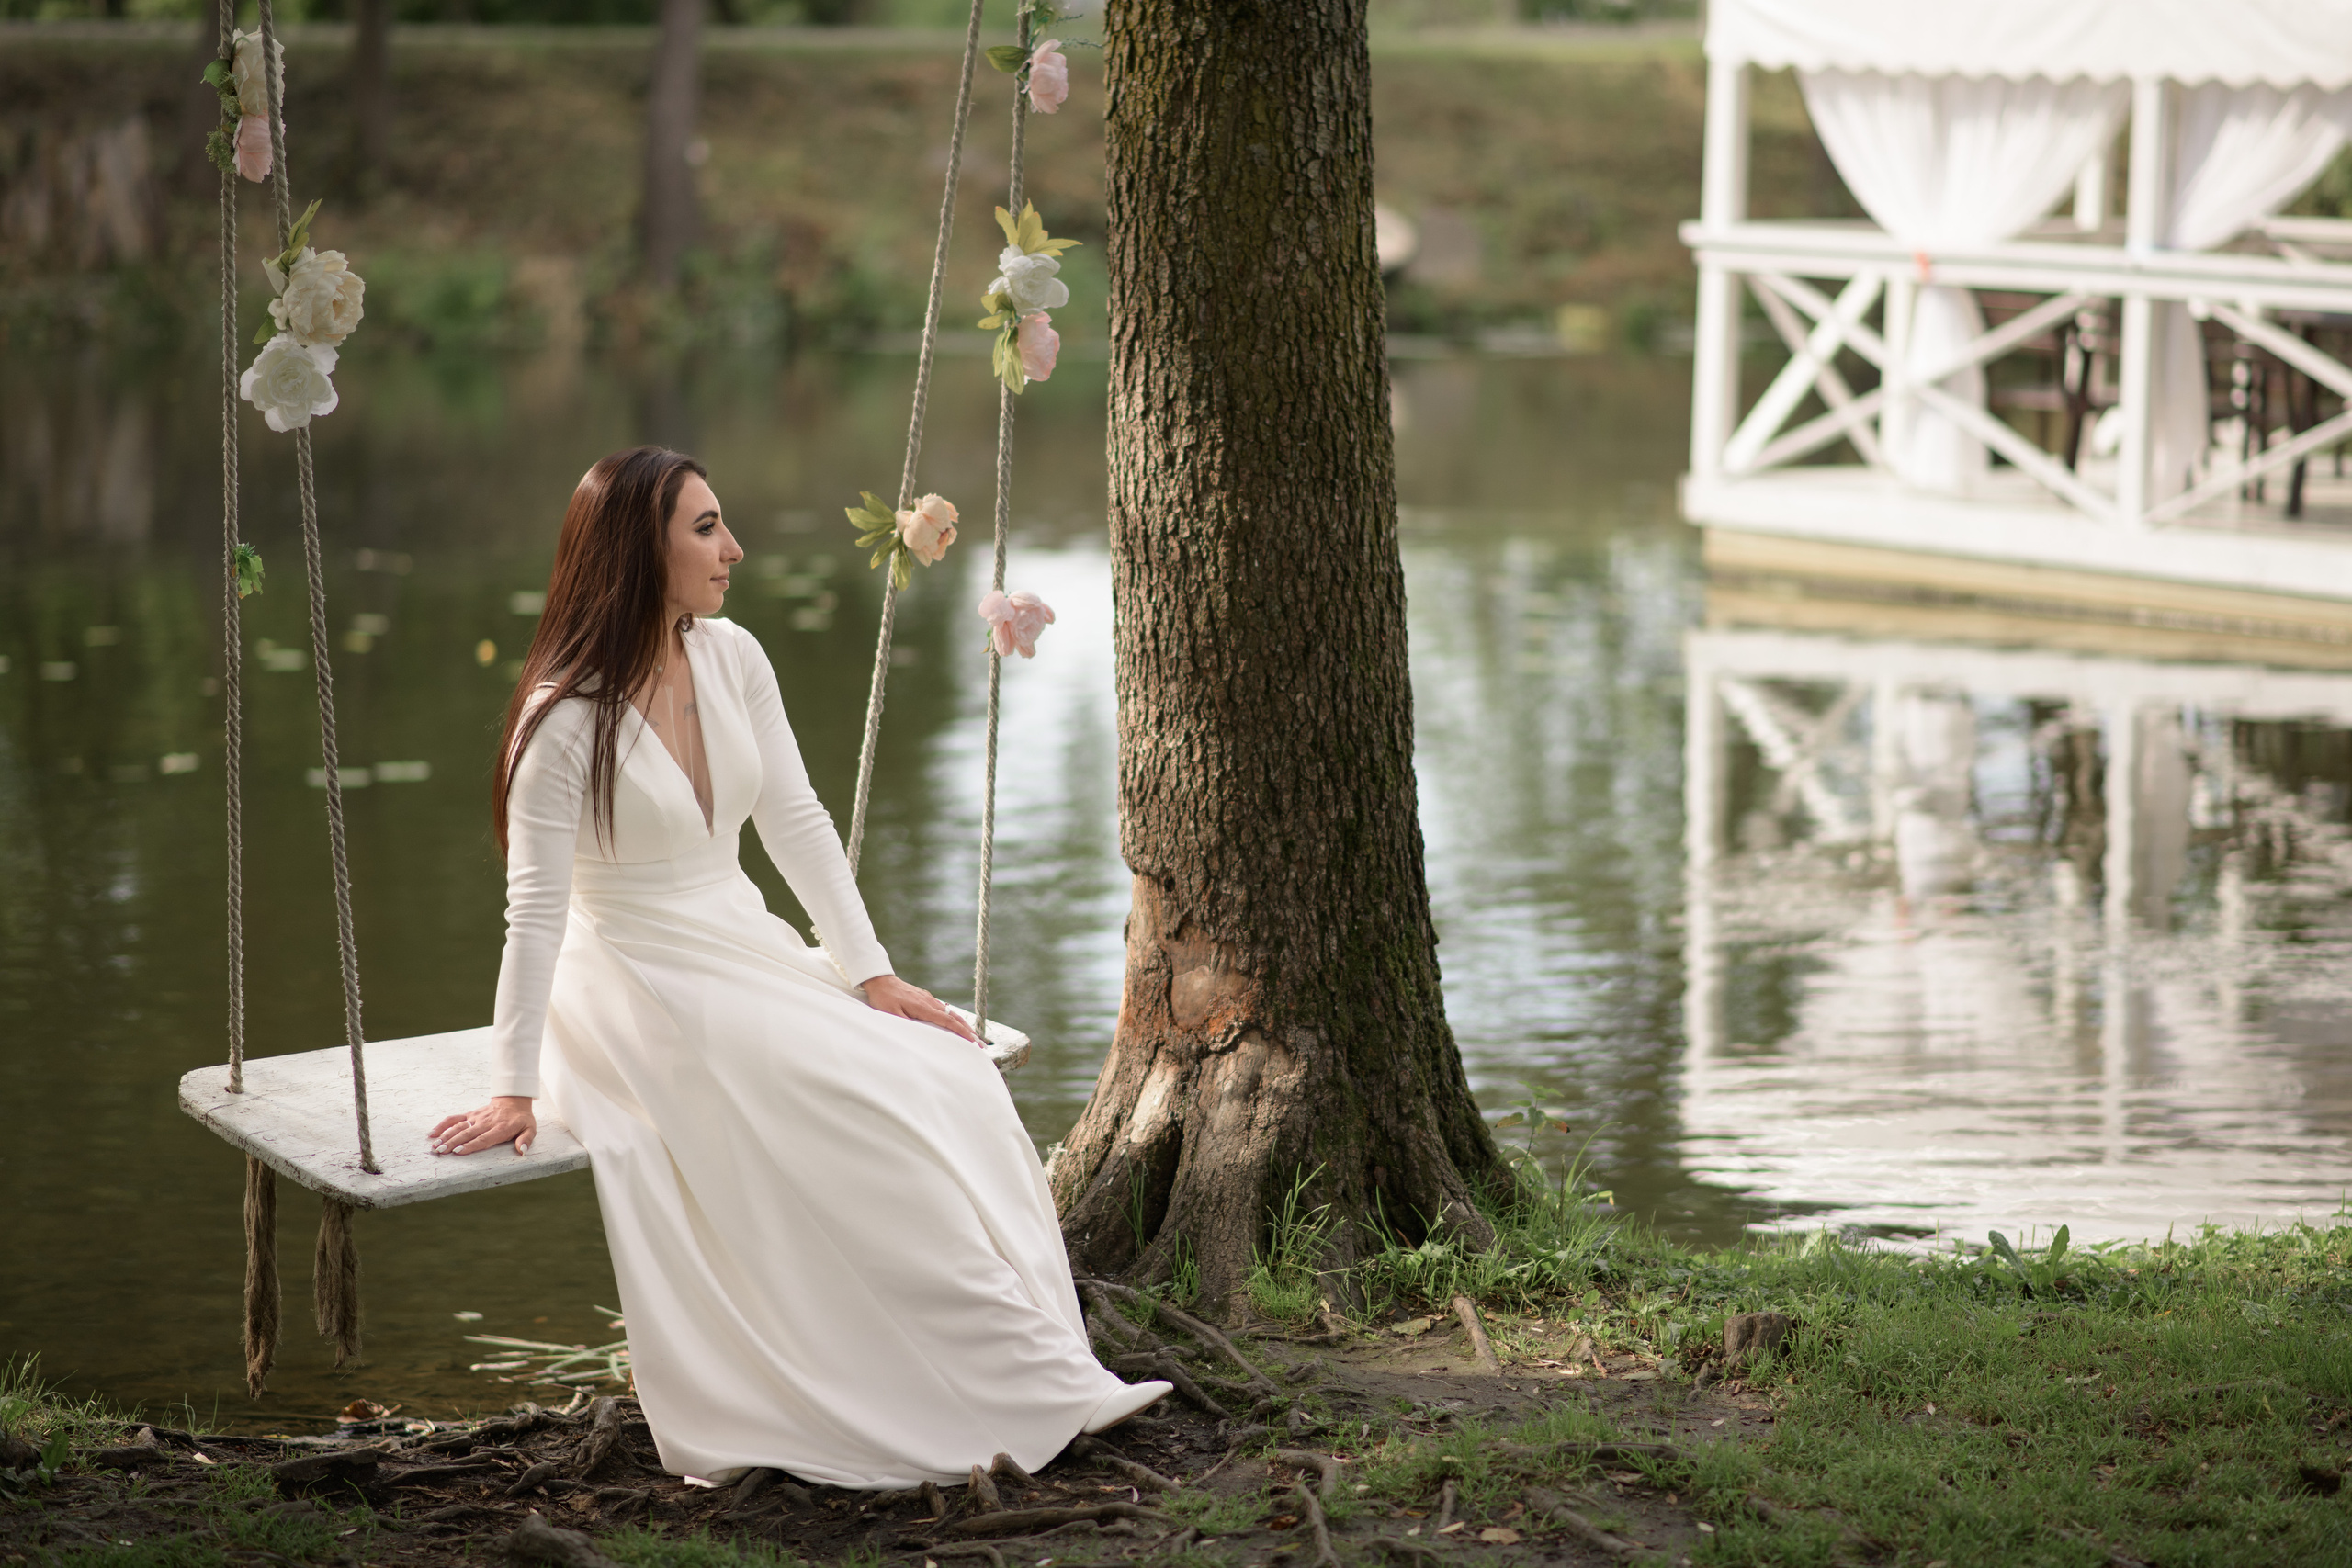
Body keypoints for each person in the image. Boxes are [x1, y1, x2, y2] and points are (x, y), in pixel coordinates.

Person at [428, 446, 1169, 1488]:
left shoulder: (733, 658)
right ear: (639, 550)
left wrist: (869, 974)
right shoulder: (561, 720)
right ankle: (982, 1390)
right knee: (850, 1102)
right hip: (634, 978)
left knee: (947, 1074)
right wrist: (514, 1084)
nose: (733, 548)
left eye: (722, 524)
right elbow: (536, 911)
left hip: (740, 942)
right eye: (705, 528)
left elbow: (797, 822)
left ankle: (1034, 1368)